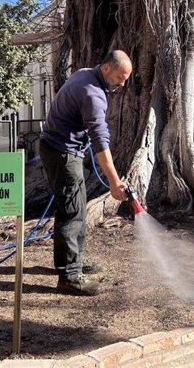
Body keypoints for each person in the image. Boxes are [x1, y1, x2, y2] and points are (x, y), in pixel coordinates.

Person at [39, 50, 132, 296]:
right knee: (71, 210)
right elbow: (100, 140)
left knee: (75, 206)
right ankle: (69, 276)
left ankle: (74, 260)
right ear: (106, 69)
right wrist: (115, 183)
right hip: (62, 152)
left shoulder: (84, 74)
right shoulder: (93, 93)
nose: (123, 84)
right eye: (120, 77)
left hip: (59, 147)